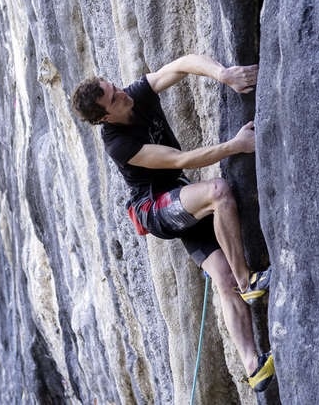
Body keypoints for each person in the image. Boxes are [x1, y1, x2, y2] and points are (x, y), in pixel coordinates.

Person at [71, 54, 274, 392]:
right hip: (155, 208)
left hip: (178, 196)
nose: (122, 93)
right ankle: (249, 281)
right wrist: (236, 145)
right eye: (113, 98)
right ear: (106, 116)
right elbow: (179, 160)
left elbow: (182, 65)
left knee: (221, 277)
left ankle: (254, 368)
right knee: (218, 193)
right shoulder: (118, 143)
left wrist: (225, 75)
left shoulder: (134, 94)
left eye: (114, 86)